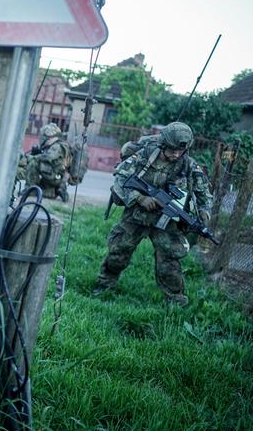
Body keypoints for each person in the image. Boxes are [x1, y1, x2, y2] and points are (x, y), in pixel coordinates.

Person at [92, 121, 213, 307]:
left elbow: (204, 193)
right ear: (164, 144)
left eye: (180, 151)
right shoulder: (144, 156)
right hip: (136, 216)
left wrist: (204, 213)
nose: (176, 154)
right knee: (118, 251)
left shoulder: (188, 165)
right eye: (172, 150)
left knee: (170, 262)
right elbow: (121, 178)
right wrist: (140, 198)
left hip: (167, 221)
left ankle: (176, 301)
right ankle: (104, 285)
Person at [25, 123, 71, 201]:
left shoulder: (57, 146)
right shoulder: (58, 145)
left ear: (50, 138)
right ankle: (50, 192)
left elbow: (48, 157)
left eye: (44, 137)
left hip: (56, 176)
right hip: (57, 175)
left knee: (34, 162)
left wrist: (33, 157)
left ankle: (31, 190)